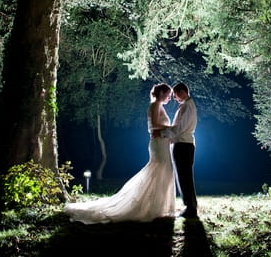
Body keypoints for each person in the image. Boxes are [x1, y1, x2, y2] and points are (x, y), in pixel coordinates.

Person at [64, 83, 176, 224]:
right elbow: (153, 125)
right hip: (158, 144)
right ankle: (151, 206)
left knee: (164, 170)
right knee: (159, 169)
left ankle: (160, 206)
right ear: (161, 93)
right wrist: (172, 128)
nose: (170, 98)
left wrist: (169, 133)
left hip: (163, 143)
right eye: (168, 95)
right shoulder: (154, 106)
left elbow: (158, 127)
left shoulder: (159, 106)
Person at [153, 82, 198, 219]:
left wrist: (162, 133)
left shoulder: (187, 106)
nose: (174, 97)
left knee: (184, 176)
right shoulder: (187, 105)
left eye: (175, 94)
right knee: (184, 176)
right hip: (182, 144)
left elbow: (180, 128)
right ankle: (190, 206)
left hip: (183, 145)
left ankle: (190, 207)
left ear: (182, 92)